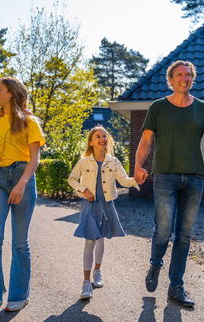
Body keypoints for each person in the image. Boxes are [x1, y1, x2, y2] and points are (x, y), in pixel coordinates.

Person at [134, 60, 204, 307]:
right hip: (165, 176)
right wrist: (138, 166)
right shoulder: (158, 108)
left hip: (194, 179)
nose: (184, 78)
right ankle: (155, 264)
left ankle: (176, 287)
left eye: (188, 75)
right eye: (179, 75)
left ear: (192, 79)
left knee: (184, 235)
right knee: (163, 230)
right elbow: (145, 141)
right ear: (170, 80)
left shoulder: (203, 109)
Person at [0, 77, 45, 320]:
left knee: (20, 242)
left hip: (22, 176)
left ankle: (18, 295)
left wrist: (22, 183)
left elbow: (34, 158)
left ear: (12, 94)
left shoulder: (29, 121)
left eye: (0, 90)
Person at [68, 126, 139, 300]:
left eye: (104, 136)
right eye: (98, 136)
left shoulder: (113, 161)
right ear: (91, 142)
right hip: (90, 205)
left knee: (101, 238)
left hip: (107, 205)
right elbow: (72, 179)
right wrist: (83, 189)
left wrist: (137, 179)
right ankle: (86, 283)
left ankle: (97, 272)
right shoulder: (84, 161)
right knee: (90, 240)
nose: (102, 138)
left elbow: (124, 180)